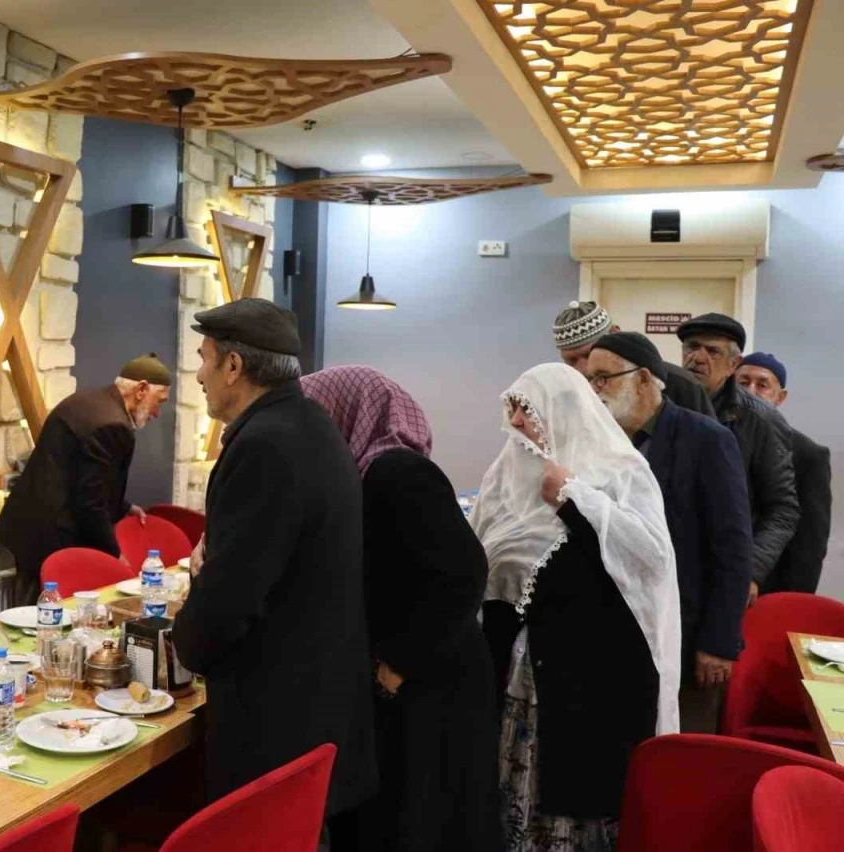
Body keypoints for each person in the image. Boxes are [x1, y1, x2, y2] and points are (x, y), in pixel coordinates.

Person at [172, 299, 376, 847]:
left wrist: (184, 638)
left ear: (234, 366)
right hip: (316, 709)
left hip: (276, 721)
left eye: (204, 358)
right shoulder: (313, 425)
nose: (199, 375)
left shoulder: (263, 444)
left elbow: (232, 598)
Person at [475, 363, 680, 852]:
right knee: (516, 793)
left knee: (574, 805)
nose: (516, 422)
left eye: (527, 410)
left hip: (590, 680)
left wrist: (573, 496)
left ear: (563, 411)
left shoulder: (620, 472)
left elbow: (649, 559)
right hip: (520, 674)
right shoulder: (506, 475)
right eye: (512, 409)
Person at [301, 366, 497, 852]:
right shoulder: (367, 472)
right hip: (413, 669)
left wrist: (397, 666)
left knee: (419, 813)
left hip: (430, 674)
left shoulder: (397, 472)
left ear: (347, 413)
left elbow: (464, 573)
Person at [588, 333, 752, 733]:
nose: (593, 390)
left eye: (603, 378)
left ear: (644, 379)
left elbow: (732, 548)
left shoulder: (706, 439)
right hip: (617, 633)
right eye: (589, 380)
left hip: (687, 634)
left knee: (679, 752)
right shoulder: (600, 443)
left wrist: (718, 642)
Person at [0, 354, 172, 605]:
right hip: (52, 538)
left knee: (32, 613)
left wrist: (124, 506)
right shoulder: (113, 424)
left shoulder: (91, 401)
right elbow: (91, 502)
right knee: (46, 618)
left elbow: (80, 475)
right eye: (159, 401)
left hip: (33, 529)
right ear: (141, 389)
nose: (157, 413)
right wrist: (115, 556)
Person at [676, 315, 799, 607]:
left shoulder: (761, 420)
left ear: (734, 364)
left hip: (724, 570)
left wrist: (751, 570)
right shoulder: (663, 403)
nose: (698, 358)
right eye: (692, 347)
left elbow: (783, 509)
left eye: (713, 351)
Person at [736, 352, 832, 594]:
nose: (751, 392)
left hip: (768, 589)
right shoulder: (718, 438)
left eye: (762, 385)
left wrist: (794, 602)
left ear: (780, 397)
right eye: (743, 383)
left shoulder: (807, 454)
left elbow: (809, 546)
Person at [552, 300, 714, 417]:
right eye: (571, 361)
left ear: (615, 333)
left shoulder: (682, 385)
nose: (583, 369)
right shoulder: (564, 397)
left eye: (588, 355)